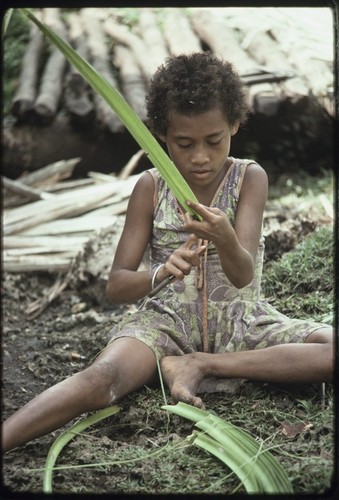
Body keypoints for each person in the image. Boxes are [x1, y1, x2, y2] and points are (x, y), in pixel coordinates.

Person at [2, 52, 333, 453]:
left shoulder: (249, 178)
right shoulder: (150, 188)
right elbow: (118, 286)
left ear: (234, 124)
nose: (199, 157)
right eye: (183, 143)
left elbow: (243, 275)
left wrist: (225, 237)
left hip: (241, 324)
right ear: (161, 133)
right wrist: (161, 272)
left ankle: (199, 365)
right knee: (100, 379)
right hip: (163, 325)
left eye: (214, 141)